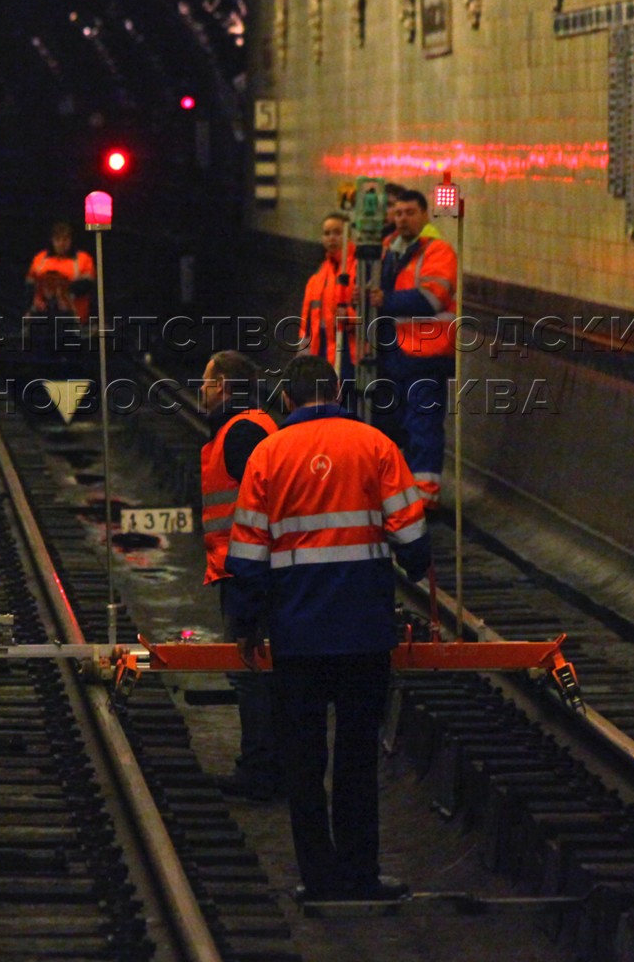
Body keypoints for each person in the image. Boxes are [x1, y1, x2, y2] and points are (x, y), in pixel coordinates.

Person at [225, 354, 432, 903]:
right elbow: (412, 541)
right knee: (358, 756)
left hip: (296, 636)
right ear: (338, 390)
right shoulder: (375, 446)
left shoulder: (267, 454)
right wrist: (414, 566)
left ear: (286, 400)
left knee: (304, 760)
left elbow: (246, 553)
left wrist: (245, 622)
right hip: (364, 632)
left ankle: (318, 879)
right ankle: (361, 876)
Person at [197, 351, 280, 801]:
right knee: (259, 671)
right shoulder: (248, 426)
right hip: (246, 568)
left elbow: (258, 509)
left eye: (208, 382)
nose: (203, 389)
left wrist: (249, 574)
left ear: (225, 385)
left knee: (252, 672)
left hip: (248, 571)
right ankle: (269, 766)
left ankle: (262, 771)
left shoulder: (241, 432)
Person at [369, 187, 458, 508]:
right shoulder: (387, 250)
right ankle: (400, 492)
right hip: (394, 355)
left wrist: (385, 301)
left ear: (423, 215)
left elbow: (433, 297)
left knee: (423, 425)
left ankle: (424, 498)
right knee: (395, 425)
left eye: (409, 213)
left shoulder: (438, 252)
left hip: (426, 356)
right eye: (398, 213)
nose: (402, 219)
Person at [298, 211, 357, 375]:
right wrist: (303, 356)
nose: (332, 238)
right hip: (322, 349)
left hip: (349, 349)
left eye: (337, 233)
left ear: (349, 235)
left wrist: (349, 316)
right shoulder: (319, 275)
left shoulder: (358, 267)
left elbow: (369, 310)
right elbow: (307, 320)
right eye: (327, 233)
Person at [26, 221, 95, 321]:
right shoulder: (40, 259)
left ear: (71, 240)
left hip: (73, 317)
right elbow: (30, 287)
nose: (62, 243)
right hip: (42, 316)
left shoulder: (83, 259)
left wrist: (64, 292)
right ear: (52, 240)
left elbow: (87, 285)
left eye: (65, 239)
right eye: (58, 239)